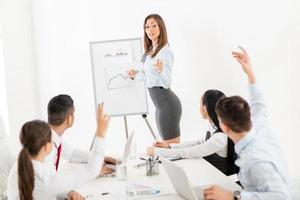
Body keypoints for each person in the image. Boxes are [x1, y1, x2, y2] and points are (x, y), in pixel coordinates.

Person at [203, 47, 289, 200]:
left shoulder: (254, 160)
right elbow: (258, 104)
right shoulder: (258, 126)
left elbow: (281, 196)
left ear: (225, 128)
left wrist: (233, 197)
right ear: (248, 115)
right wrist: (250, 73)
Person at [7, 103, 110, 199]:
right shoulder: (44, 177)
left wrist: (68, 192)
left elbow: (48, 188)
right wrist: (101, 132)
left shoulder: (21, 166)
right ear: (47, 147)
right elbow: (91, 171)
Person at [147, 90, 238, 176]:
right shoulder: (214, 128)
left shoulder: (219, 138)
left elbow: (188, 152)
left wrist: (156, 152)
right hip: (210, 176)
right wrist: (170, 146)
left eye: (200, 103)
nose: (199, 107)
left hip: (220, 183)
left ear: (206, 108)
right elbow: (198, 142)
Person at [127, 14, 182, 144]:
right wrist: (136, 74)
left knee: (171, 149)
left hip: (168, 105)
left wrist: (160, 71)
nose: (150, 29)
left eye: (153, 25)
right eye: (147, 26)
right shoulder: (151, 50)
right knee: (165, 146)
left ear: (160, 27)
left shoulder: (165, 51)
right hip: (159, 106)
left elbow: (166, 82)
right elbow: (151, 79)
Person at [46, 94, 115, 174]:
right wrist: (92, 172)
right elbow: (51, 182)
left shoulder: (52, 137)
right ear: (69, 119)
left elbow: (72, 154)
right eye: (73, 113)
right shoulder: (48, 146)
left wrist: (101, 158)